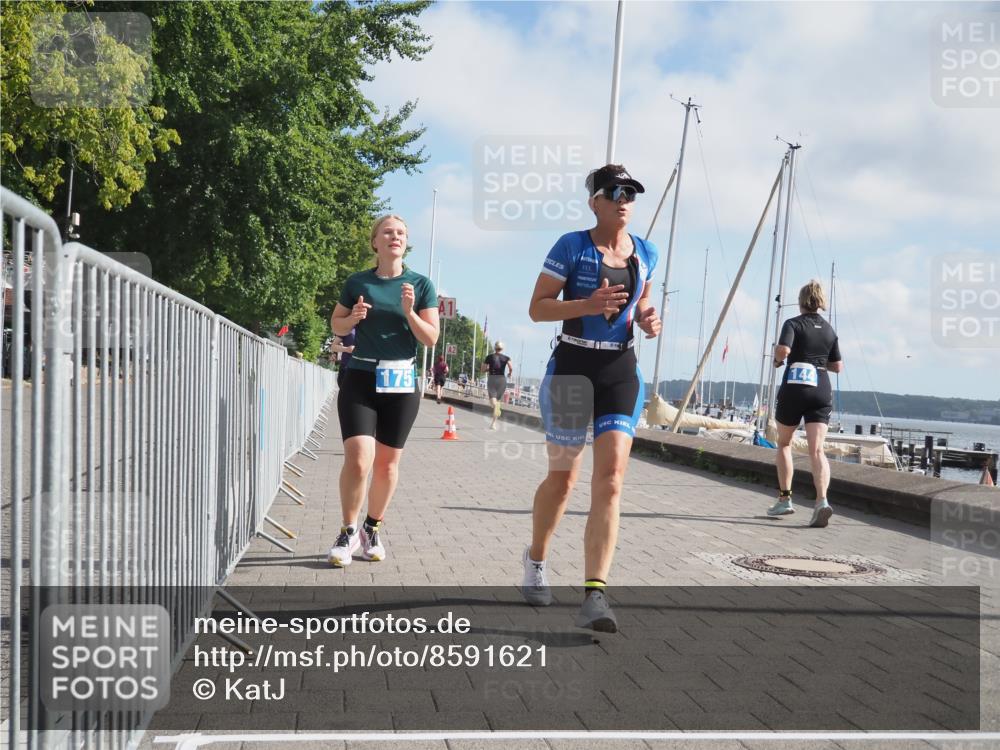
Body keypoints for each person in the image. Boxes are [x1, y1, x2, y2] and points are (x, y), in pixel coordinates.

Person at [521, 164, 661, 633]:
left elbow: (640, 299)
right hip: (573, 369)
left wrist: (647, 316)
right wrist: (586, 305)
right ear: (594, 201)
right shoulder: (571, 246)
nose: (624, 199)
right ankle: (536, 559)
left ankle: (595, 594)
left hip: (620, 370)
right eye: (614, 192)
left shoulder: (646, 252)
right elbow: (538, 308)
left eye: (631, 193)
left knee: (613, 480)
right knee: (562, 481)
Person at [328, 215, 439, 566]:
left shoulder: (421, 285)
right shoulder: (358, 281)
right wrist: (354, 318)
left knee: (388, 466)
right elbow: (336, 323)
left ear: (406, 243)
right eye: (388, 232)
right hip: (360, 375)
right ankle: (347, 531)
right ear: (375, 241)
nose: (395, 236)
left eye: (401, 233)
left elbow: (431, 337)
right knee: (359, 459)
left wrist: (409, 312)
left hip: (401, 381)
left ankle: (371, 528)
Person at [766, 280, 844, 528]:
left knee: (785, 443)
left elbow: (784, 350)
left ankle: (785, 499)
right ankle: (822, 501)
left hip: (795, 387)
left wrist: (777, 360)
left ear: (801, 302)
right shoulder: (830, 330)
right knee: (817, 450)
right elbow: (838, 366)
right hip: (820, 387)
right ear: (821, 301)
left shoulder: (793, 323)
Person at [481, 341, 513, 430]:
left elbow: (483, 369)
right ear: (502, 348)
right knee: (497, 403)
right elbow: (511, 367)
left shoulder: (489, 357)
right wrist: (510, 373)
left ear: (495, 348)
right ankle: (493, 424)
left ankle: (496, 411)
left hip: (492, 379)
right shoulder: (507, 358)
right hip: (502, 380)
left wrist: (488, 369)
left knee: (493, 403)